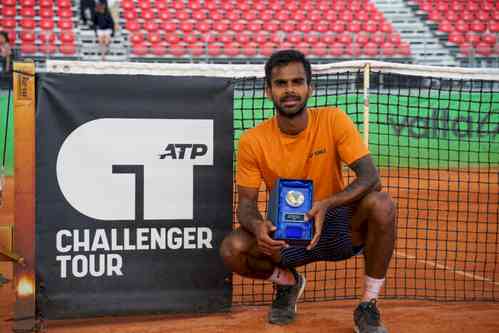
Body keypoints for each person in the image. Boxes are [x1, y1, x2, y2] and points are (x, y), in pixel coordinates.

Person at [220, 49, 396, 333]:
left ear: (309, 88)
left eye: (297, 81)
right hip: (287, 236)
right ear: (268, 91)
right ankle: (288, 283)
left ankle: (368, 306)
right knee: (233, 249)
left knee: (382, 204)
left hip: (339, 226)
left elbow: (371, 178)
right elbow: (246, 205)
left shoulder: (333, 120)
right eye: (280, 83)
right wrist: (257, 226)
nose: (289, 90)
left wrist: (327, 204)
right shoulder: (253, 140)